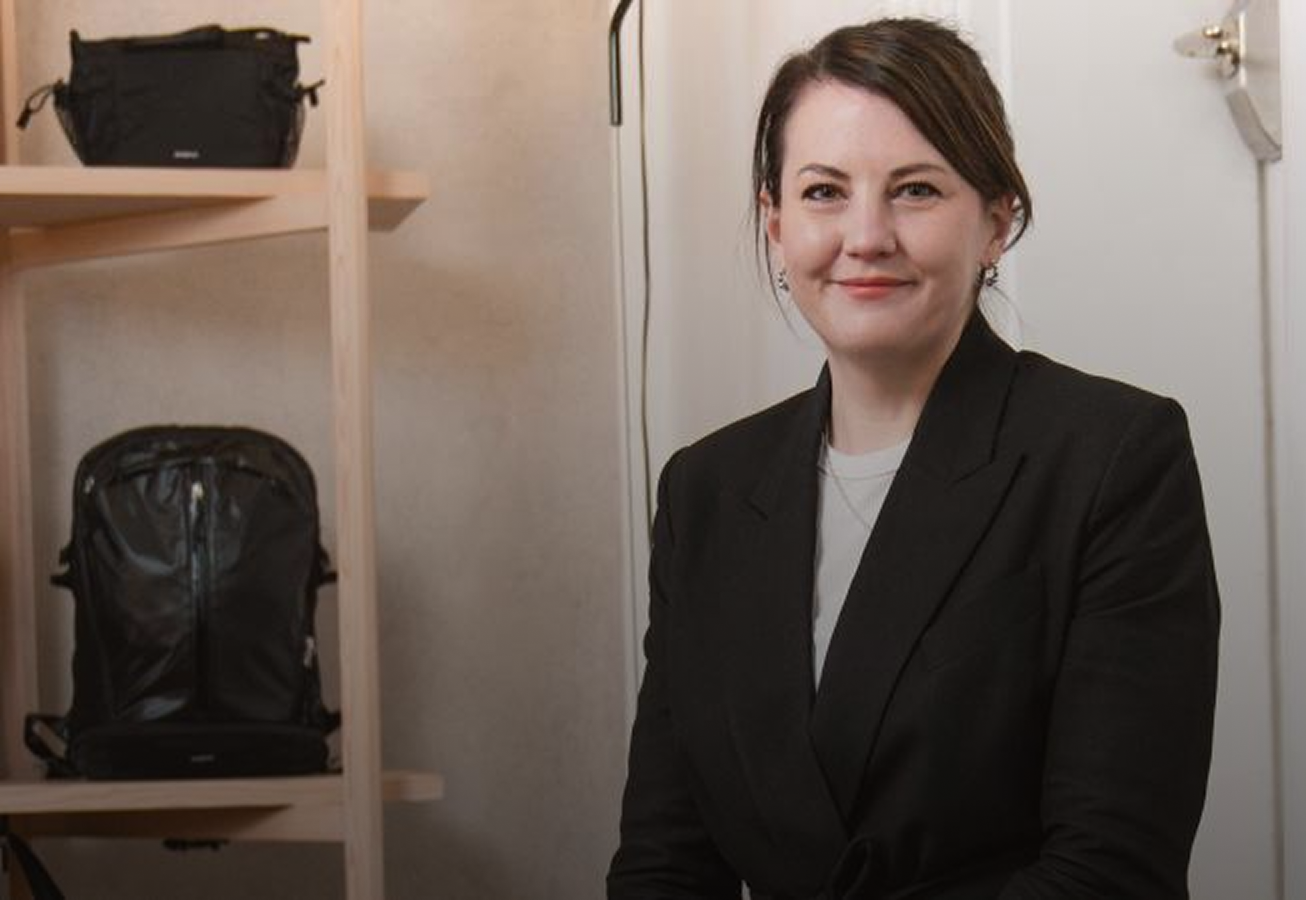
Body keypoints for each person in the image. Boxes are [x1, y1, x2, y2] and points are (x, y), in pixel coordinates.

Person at [607, 17, 1219, 900]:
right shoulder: (706, 489)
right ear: (774, 223)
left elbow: (1110, 874)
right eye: (823, 192)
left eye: (916, 190)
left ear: (997, 222)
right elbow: (664, 865)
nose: (866, 236)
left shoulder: (1112, 457)